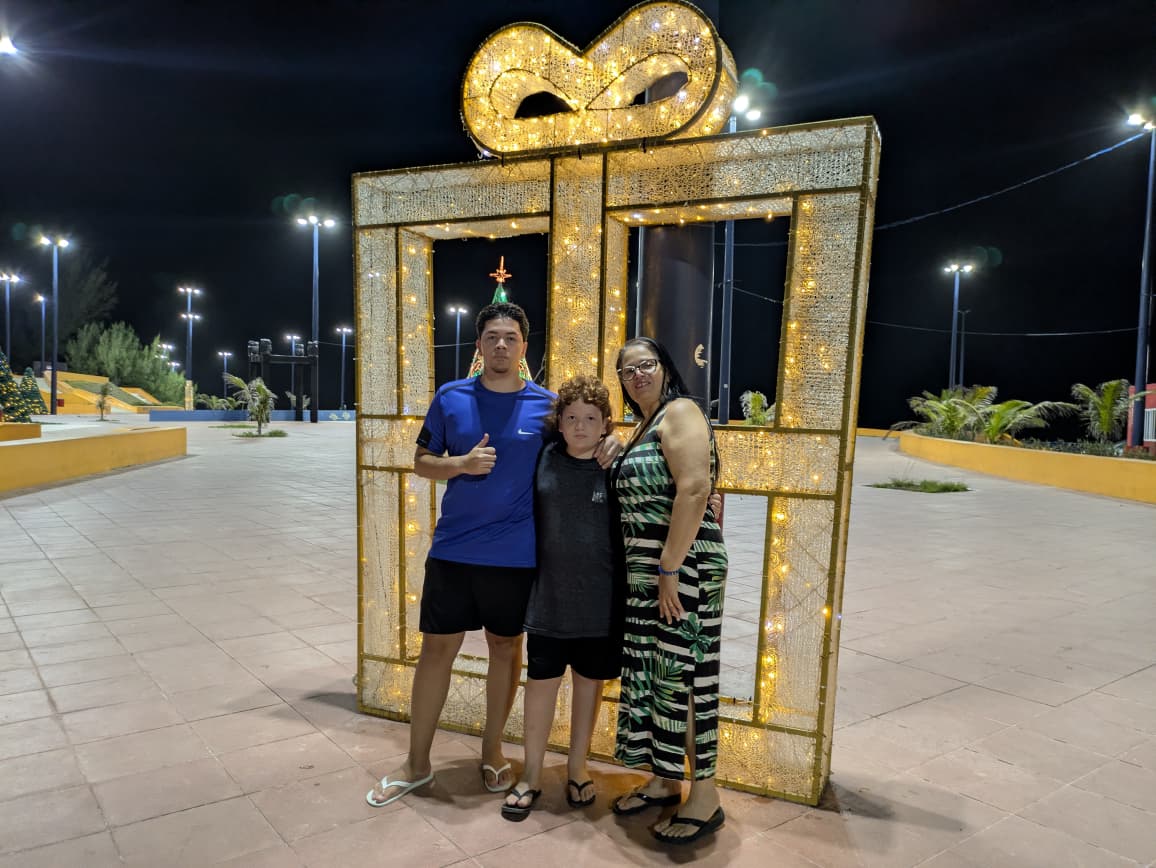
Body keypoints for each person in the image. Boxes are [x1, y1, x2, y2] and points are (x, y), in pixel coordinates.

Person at [367, 303, 618, 808]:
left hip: (515, 557)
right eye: (492, 337)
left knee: (506, 650)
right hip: (454, 551)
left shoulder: (547, 407)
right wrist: (460, 463)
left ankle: (492, 751)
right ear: (478, 344)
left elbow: (582, 436)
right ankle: (416, 763)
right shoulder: (450, 396)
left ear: (524, 346)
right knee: (437, 650)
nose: (501, 345)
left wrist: (612, 442)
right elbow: (422, 462)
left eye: (510, 337)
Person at [609, 336, 728, 845]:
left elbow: (695, 488)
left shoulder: (680, 411)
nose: (638, 375)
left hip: (683, 572)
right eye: (628, 370)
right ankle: (664, 778)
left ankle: (705, 797)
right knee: (660, 679)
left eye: (647, 365)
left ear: (665, 368)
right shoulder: (645, 424)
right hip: (653, 577)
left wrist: (670, 568)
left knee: (687, 678)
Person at [500, 375, 623, 821]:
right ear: (560, 422)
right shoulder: (545, 457)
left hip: (598, 604)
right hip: (548, 601)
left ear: (606, 424)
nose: (580, 426)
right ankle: (531, 773)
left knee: (589, 687)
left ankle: (577, 768)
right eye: (571, 417)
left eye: (590, 418)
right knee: (540, 686)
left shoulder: (617, 467)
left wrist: (621, 445)